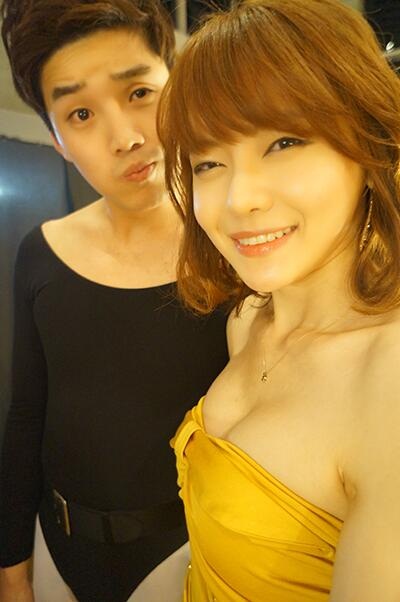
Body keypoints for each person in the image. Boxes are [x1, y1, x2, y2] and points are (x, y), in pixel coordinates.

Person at [157, 0, 400, 600]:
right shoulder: (248, 320)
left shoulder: (388, 379)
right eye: (209, 162)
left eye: (285, 142)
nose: (239, 199)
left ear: (369, 143)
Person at [0, 1, 228, 601]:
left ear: (175, 86)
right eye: (80, 113)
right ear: (57, 139)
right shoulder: (41, 251)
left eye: (139, 93)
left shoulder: (236, 244)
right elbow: (26, 415)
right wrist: (13, 567)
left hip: (187, 553)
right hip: (56, 545)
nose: (125, 138)